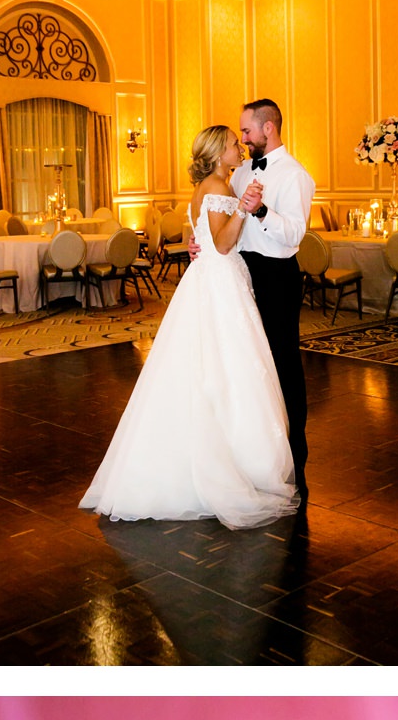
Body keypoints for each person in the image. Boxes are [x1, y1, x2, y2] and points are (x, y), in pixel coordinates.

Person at [80, 123, 296, 526]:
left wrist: (222, 225)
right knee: (227, 369)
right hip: (219, 283)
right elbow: (224, 242)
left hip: (211, 279)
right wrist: (245, 211)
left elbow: (199, 237)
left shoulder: (211, 186)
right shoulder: (217, 186)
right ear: (218, 153)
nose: (240, 148)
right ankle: (230, 460)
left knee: (210, 368)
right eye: (234, 144)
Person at [232, 98, 315, 517]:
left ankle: (294, 451)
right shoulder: (242, 171)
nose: (242, 138)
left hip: (278, 275)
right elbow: (228, 220)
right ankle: (254, 446)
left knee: (283, 362)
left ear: (269, 128)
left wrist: (262, 210)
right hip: (242, 271)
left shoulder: (296, 175)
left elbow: (295, 233)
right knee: (249, 362)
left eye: (247, 131)